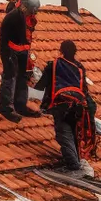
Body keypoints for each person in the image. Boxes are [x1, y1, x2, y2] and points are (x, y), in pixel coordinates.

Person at [34, 40, 97, 173]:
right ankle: (75, 159)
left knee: (64, 134)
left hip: (61, 105)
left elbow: (40, 85)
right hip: (78, 107)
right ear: (75, 52)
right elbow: (84, 89)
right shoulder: (79, 68)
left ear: (61, 51)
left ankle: (73, 165)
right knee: (75, 133)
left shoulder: (54, 65)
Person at [0, 0, 42, 123]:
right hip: (10, 49)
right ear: (24, 7)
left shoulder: (26, 15)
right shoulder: (14, 16)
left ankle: (20, 105)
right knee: (10, 76)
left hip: (22, 49)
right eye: (31, 11)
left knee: (23, 76)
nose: (32, 13)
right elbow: (19, 37)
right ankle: (5, 107)